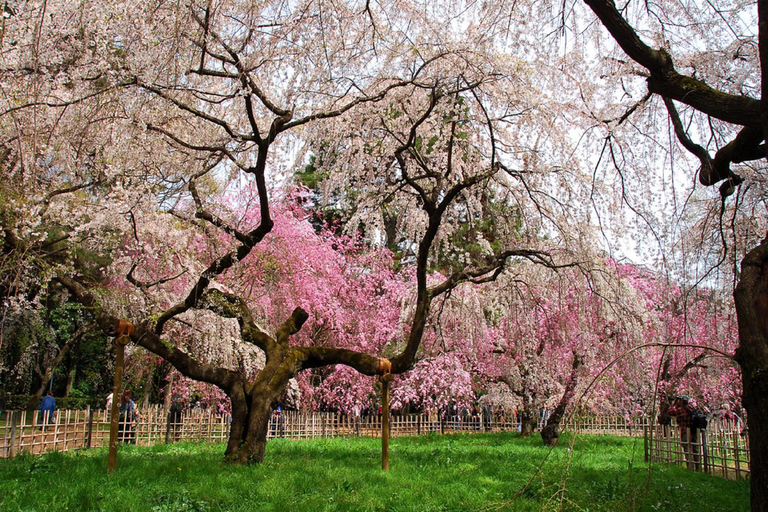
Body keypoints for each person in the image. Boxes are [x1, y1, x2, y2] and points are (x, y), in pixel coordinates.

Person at [667, 395, 701, 471]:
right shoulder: (692, 407)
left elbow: (670, 412)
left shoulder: (681, 409)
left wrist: (673, 404)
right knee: (695, 448)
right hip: (694, 430)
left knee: (687, 448)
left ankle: (690, 468)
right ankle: (698, 467)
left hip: (685, 431)